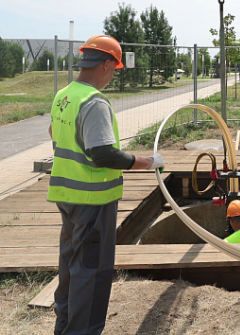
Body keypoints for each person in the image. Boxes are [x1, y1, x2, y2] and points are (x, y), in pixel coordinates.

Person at [47, 34, 166, 335]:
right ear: (104, 65)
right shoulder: (94, 102)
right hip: (93, 203)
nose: (113, 75)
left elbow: (54, 132)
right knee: (92, 273)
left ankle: (64, 327)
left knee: (72, 268)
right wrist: (147, 162)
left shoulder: (65, 95)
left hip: (67, 197)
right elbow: (102, 154)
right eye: (114, 69)